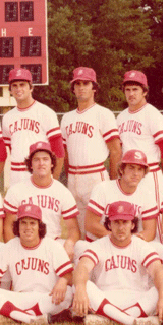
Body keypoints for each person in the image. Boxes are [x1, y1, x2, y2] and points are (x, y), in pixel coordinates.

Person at [72, 201, 163, 325]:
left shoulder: (141, 246)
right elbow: (83, 267)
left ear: (132, 224)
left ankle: (108, 320)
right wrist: (80, 289)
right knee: (81, 286)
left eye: (125, 222)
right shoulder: (99, 245)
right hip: (106, 298)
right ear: (109, 224)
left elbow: (158, 271)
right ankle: (132, 322)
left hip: (137, 299)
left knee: (160, 289)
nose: (121, 228)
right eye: (116, 222)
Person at [0, 204, 73, 324]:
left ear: (39, 226)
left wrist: (63, 281)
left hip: (45, 298)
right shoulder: (10, 246)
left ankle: (13, 316)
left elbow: (70, 276)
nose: (28, 227)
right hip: (19, 298)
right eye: (23, 223)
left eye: (32, 223)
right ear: (17, 225)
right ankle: (32, 318)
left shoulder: (53, 246)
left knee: (68, 292)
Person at [60, 67, 121, 234]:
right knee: (78, 229)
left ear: (94, 87)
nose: (81, 87)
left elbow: (115, 150)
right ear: (73, 89)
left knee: (99, 227)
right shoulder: (67, 117)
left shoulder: (103, 113)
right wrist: (69, 177)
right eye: (77, 84)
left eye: (86, 83)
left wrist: (114, 182)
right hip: (74, 177)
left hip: (95, 176)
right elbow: (64, 152)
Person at [3, 142, 80, 259]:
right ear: (30, 164)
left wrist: (70, 242)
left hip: (53, 244)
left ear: (52, 163)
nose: (41, 163)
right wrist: (14, 252)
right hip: (24, 245)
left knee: (83, 248)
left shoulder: (62, 191)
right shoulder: (16, 190)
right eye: (36, 159)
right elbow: (8, 226)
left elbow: (73, 228)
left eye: (45, 159)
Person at [116, 70, 163, 223]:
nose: (131, 93)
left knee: (155, 220)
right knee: (131, 219)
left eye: (135, 89)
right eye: (127, 89)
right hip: (128, 174)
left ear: (144, 92)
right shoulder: (121, 117)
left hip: (149, 173)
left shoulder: (152, 114)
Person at [1, 68, 63, 187]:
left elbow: (59, 152)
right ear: (10, 90)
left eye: (22, 85)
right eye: (14, 85)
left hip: (40, 174)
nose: (18, 89)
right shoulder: (7, 117)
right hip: (16, 175)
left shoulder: (45, 112)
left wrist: (53, 181)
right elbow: (11, 148)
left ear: (31, 87)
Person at [84, 150, 158, 243]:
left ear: (144, 173)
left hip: (129, 245)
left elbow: (150, 232)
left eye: (140, 169)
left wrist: (128, 241)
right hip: (101, 242)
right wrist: (116, 238)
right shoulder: (103, 188)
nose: (135, 173)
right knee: (81, 246)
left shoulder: (148, 194)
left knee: (157, 248)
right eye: (131, 168)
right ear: (121, 169)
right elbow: (90, 224)